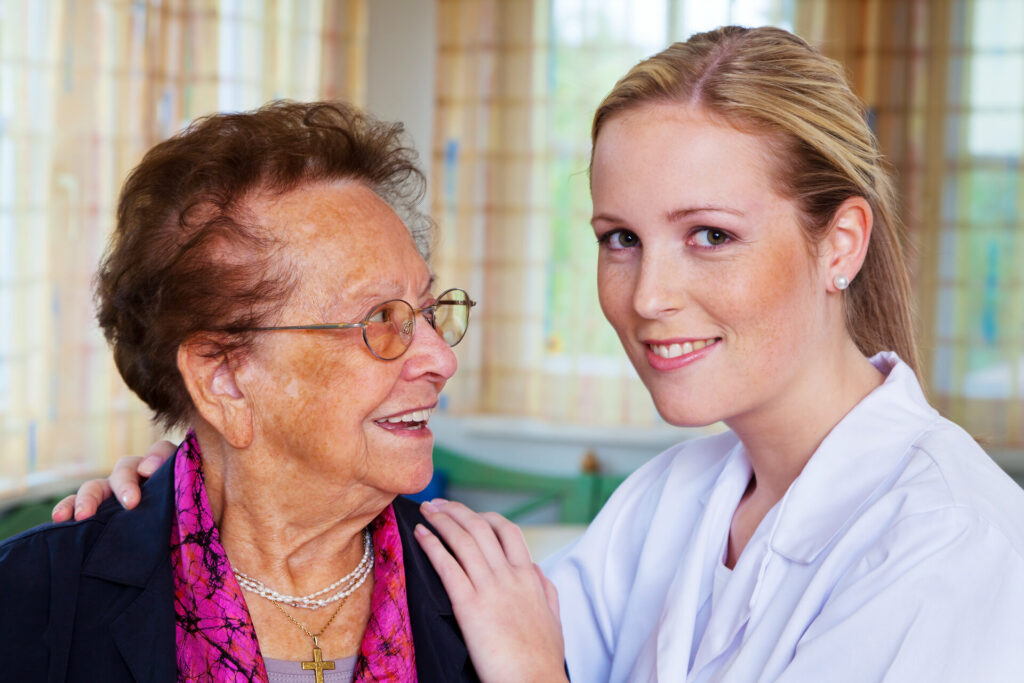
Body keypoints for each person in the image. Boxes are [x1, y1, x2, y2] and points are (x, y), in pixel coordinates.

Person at [57, 26, 1024, 681]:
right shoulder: (677, 496)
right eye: (619, 238)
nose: (647, 296)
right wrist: (211, 479)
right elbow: (485, 620)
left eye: (711, 235)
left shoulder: (954, 542)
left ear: (840, 243)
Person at [1, 99, 565, 682]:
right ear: (224, 380)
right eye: (378, 319)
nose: (441, 359)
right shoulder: (31, 604)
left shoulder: (496, 601)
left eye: (426, 310)